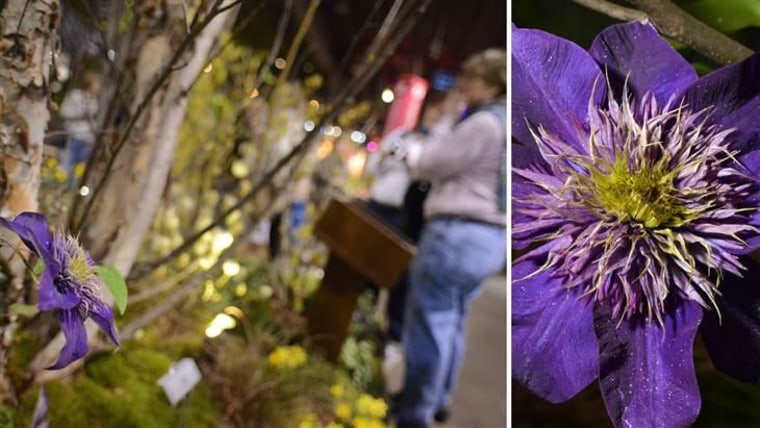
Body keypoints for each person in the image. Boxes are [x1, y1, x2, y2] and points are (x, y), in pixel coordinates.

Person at [392, 49, 506, 428]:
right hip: (489, 241)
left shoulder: (482, 124)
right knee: (452, 322)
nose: (464, 88)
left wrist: (441, 125)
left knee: (430, 324)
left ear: (491, 84)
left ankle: (415, 413)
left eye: (470, 81)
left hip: (456, 235)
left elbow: (429, 163)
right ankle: (438, 398)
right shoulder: (506, 123)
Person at [59, 71, 101, 187]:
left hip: (88, 139)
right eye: (97, 84)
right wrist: (81, 114)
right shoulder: (75, 96)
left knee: (79, 170)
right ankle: (61, 188)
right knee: (66, 165)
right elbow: (64, 112)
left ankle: (72, 190)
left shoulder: (95, 102)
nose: (99, 88)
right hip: (74, 135)